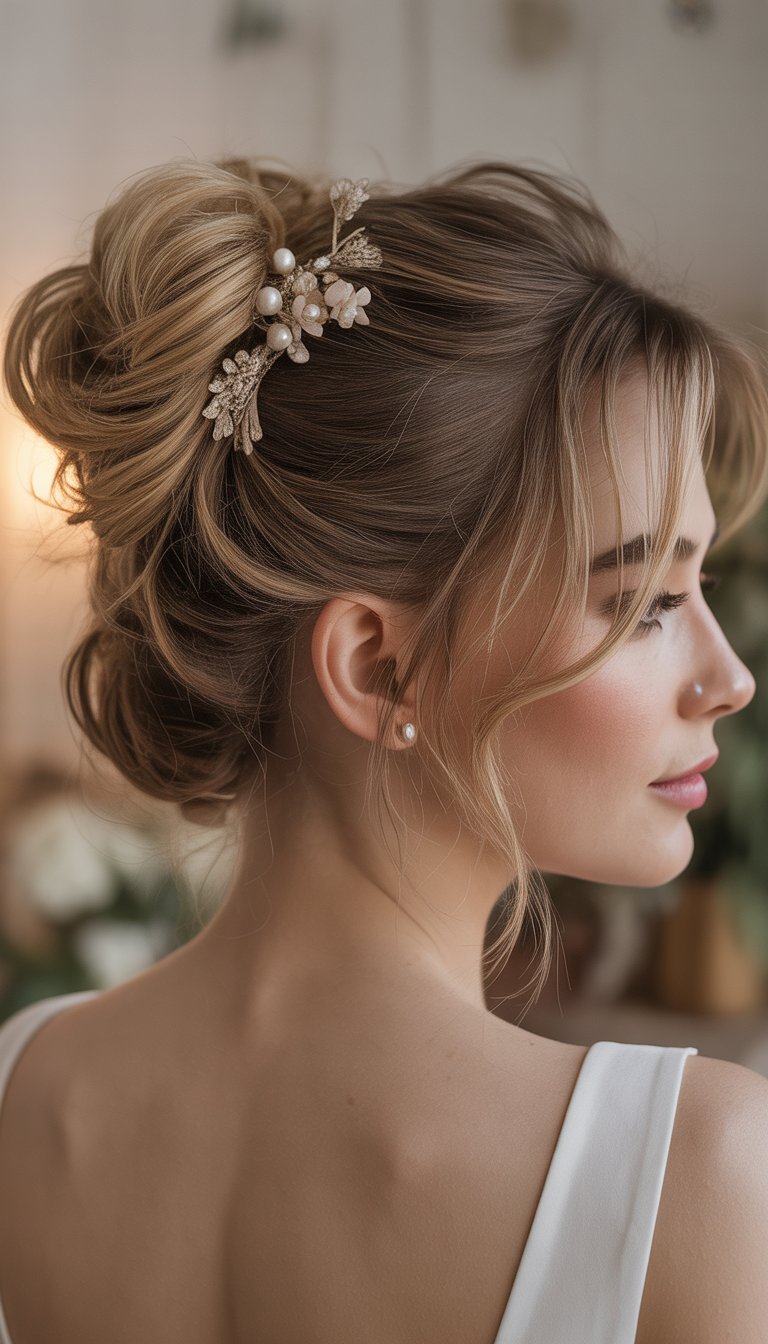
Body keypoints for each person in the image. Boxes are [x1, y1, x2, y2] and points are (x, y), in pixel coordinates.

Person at [0, 155, 767, 1344]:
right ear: (374, 665)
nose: (731, 678)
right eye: (644, 604)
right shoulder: (695, 1175)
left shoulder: (23, 1093)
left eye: (698, 585)